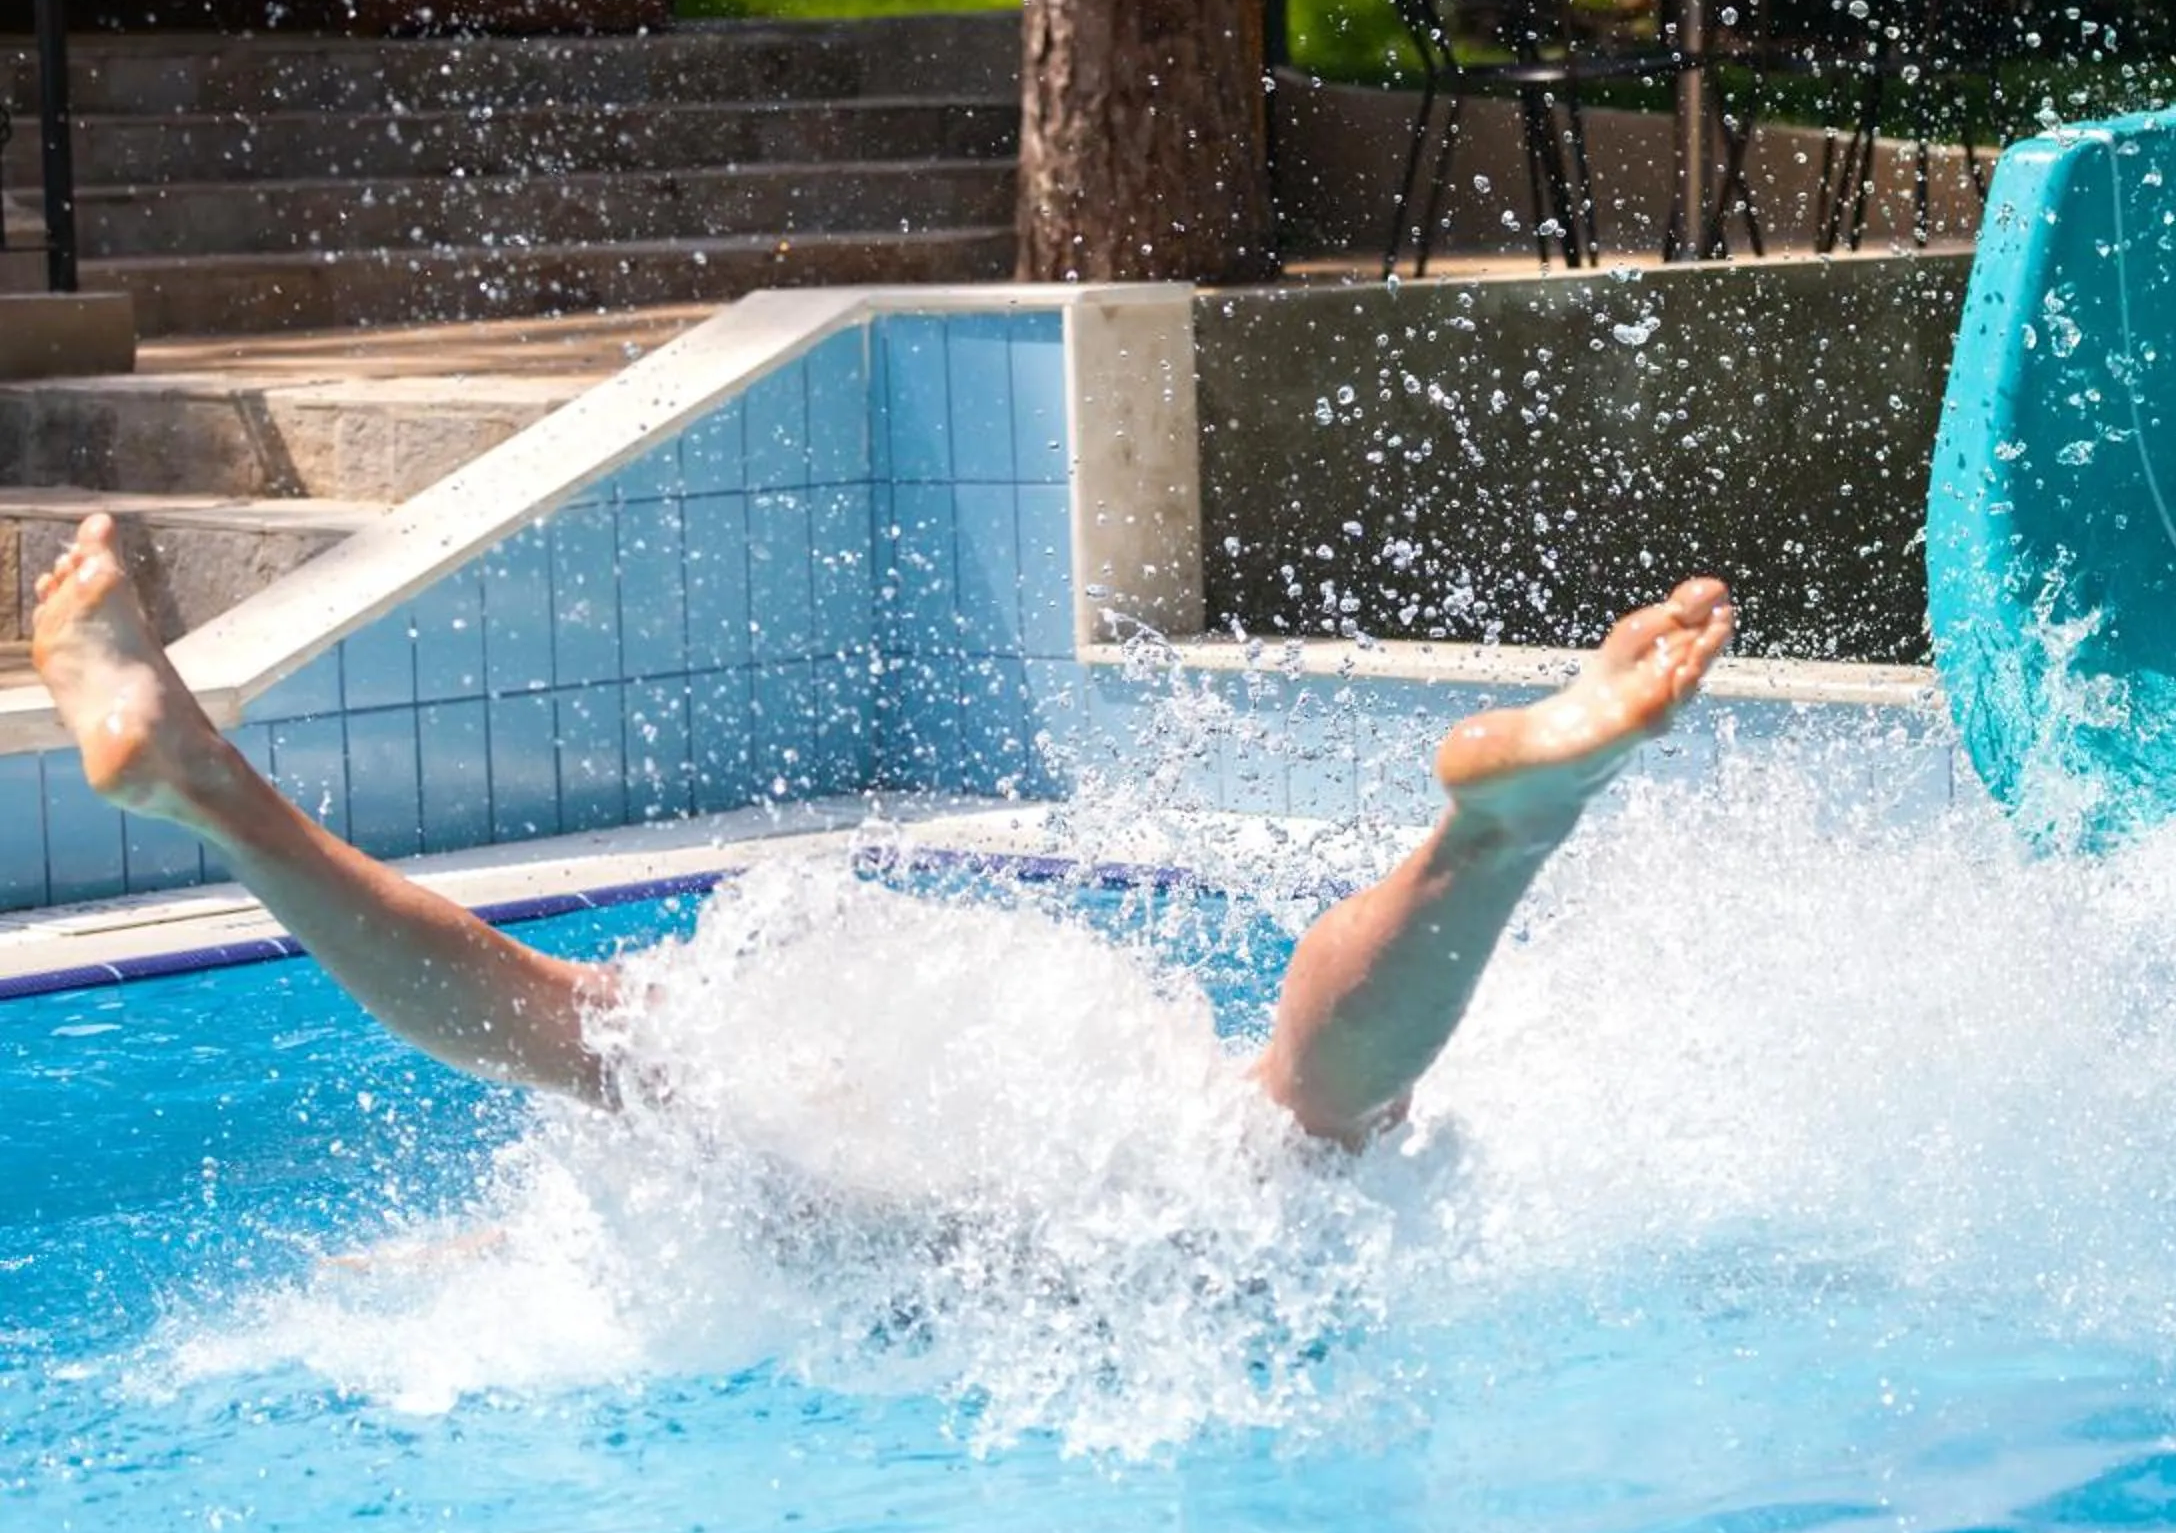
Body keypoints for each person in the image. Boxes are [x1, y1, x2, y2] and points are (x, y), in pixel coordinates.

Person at [31, 512, 1734, 1144]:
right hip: (1019, 1101)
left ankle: (208, 784)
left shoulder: (677, 1240)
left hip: (832, 1044)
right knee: (1301, 1119)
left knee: (562, 1023)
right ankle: (1495, 834)